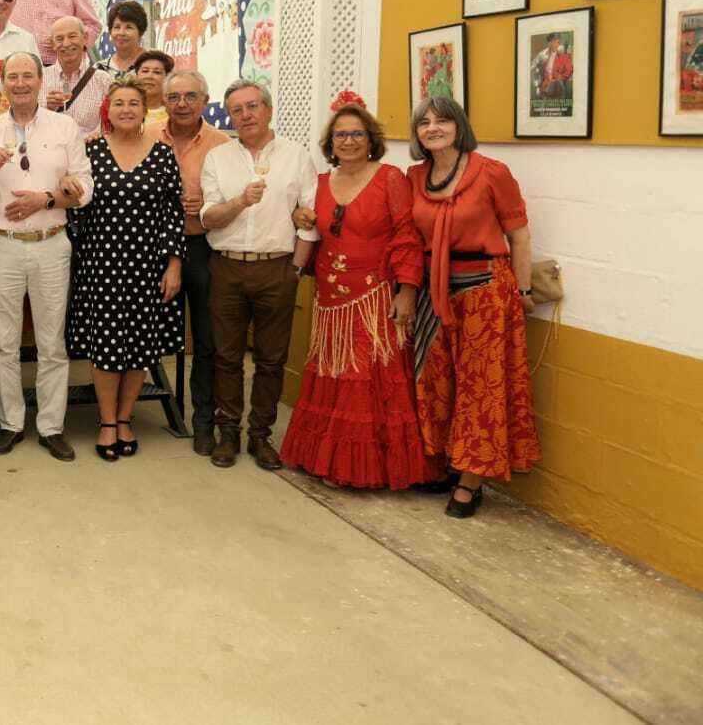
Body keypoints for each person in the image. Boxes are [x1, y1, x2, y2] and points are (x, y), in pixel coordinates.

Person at [280, 94, 433, 489]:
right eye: (341, 135)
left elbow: (406, 238)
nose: (348, 141)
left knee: (364, 384)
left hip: (374, 301)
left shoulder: (390, 179)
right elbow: (309, 229)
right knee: (332, 379)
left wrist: (407, 291)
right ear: (330, 143)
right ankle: (326, 461)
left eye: (357, 134)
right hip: (330, 302)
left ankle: (363, 471)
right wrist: (298, 215)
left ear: (371, 139)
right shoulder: (320, 183)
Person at [407, 96, 541, 518]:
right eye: (424, 122)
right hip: (433, 291)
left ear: (459, 125)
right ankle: (448, 462)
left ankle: (471, 479)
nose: (433, 128)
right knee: (437, 382)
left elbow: (519, 237)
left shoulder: (492, 174)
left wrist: (520, 292)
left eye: (442, 120)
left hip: (484, 290)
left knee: (480, 390)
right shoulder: (414, 177)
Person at [0, 51, 93, 462]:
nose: (20, 83)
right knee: (4, 343)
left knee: (53, 343)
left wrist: (48, 198)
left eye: (27, 76)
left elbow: (84, 189)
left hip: (52, 241)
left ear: (40, 81)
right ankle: (10, 422)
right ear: (3, 84)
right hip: (1, 245)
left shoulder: (65, 126)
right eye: (13, 76)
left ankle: (51, 426)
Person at [198, 78, 318, 471]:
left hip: (277, 268)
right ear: (229, 116)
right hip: (228, 267)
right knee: (227, 357)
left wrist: (297, 268)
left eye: (252, 106)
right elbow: (208, 218)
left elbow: (310, 215)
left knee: (271, 358)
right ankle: (227, 432)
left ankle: (261, 436)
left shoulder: (296, 156)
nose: (245, 115)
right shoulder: (218, 158)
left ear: (267, 109)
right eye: (236, 109)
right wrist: (239, 201)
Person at [65, 77, 184, 460]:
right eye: (119, 103)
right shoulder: (91, 152)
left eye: (134, 103)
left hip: (149, 267)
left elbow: (173, 214)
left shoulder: (164, 155)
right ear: (108, 111)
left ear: (144, 110)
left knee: (140, 348)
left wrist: (174, 265)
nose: (127, 109)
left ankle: (127, 417)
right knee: (106, 347)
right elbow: (76, 207)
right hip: (101, 266)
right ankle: (107, 423)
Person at [164, 69, 226, 455]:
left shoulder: (222, 144)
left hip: (204, 245)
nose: (182, 104)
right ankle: (125, 415)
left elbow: (232, 198)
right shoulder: (146, 135)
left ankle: (205, 420)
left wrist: (203, 207)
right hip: (154, 250)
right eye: (174, 97)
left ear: (204, 100)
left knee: (207, 339)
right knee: (143, 332)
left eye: (190, 96)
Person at [41, 15, 110, 137]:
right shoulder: (39, 79)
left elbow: (112, 122)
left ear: (85, 38)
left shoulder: (103, 80)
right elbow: (29, 122)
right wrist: (47, 108)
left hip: (89, 151)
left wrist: (98, 137)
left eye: (72, 36)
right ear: (53, 44)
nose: (66, 43)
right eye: (59, 39)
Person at [131, 50, 176, 140]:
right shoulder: (124, 110)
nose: (149, 76)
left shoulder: (175, 113)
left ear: (167, 78)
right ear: (136, 76)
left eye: (157, 72)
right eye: (145, 71)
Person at [104, 1, 149, 76]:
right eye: (117, 27)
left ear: (140, 32)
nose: (121, 33)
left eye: (129, 27)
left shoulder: (154, 66)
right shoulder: (99, 69)